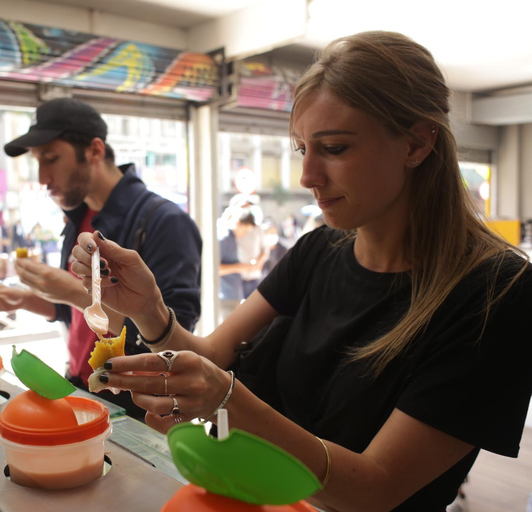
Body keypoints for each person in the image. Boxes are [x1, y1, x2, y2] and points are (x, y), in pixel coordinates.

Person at [69, 31, 532, 511]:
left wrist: (227, 401)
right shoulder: (317, 251)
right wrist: (150, 309)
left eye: (333, 148)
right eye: (302, 150)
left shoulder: (496, 294)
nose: (308, 176)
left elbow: (375, 488)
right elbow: (212, 358)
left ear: (416, 144)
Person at [0, 98, 202, 418]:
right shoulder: (79, 218)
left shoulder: (164, 222)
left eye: (51, 159)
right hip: (81, 385)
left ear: (95, 151)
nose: (42, 177)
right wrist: (24, 300)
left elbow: (173, 342)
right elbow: (77, 317)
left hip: (137, 409)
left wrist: (71, 290)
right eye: (37, 162)